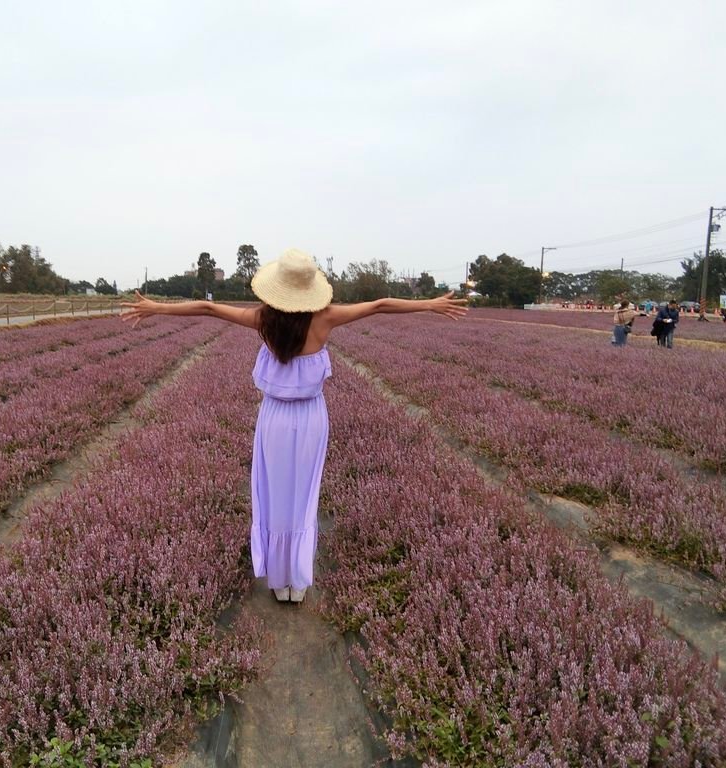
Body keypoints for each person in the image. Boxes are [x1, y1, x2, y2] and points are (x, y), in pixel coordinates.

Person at [121, 249, 467, 604]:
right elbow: (380, 304)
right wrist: (430, 303)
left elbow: (207, 309)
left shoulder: (262, 320)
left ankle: (278, 578)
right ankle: (297, 582)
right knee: (304, 496)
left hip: (274, 418)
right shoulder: (325, 318)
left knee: (273, 495)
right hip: (311, 418)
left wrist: (155, 308)